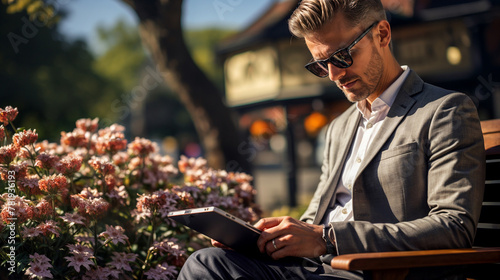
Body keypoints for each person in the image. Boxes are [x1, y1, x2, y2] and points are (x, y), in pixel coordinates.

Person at [177, 0, 485, 279]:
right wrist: (270, 239)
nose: (334, 74)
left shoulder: (444, 110)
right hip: (316, 268)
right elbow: (315, 218)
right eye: (321, 64)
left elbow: (454, 227)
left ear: (382, 34)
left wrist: (327, 238)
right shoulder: (340, 126)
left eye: (342, 55)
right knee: (208, 262)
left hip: (376, 271)